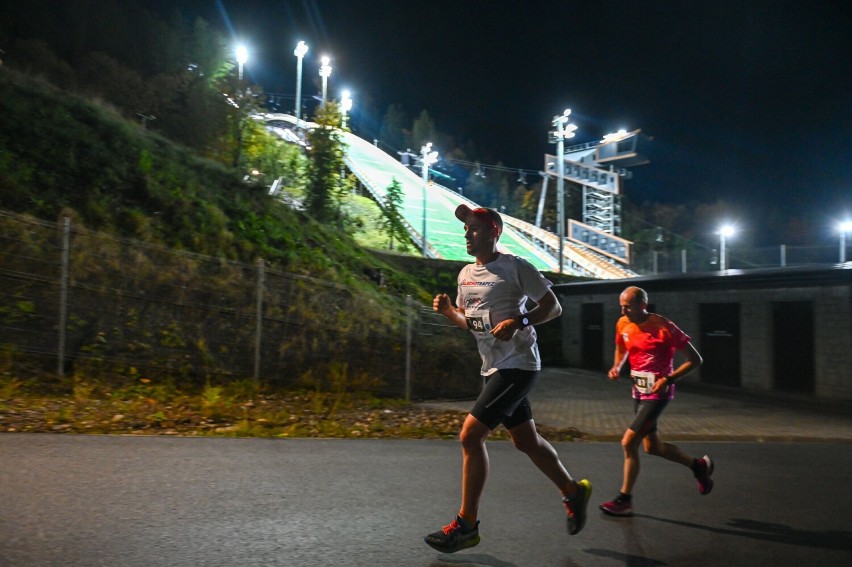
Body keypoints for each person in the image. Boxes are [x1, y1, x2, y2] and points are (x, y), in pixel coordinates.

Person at [424, 205, 591, 554]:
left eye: (474, 228)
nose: (467, 234)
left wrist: (521, 321)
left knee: (471, 435)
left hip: (519, 365)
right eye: (466, 229)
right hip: (493, 367)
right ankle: (573, 491)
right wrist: (448, 312)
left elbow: (553, 306)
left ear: (494, 231)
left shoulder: (514, 266)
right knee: (525, 442)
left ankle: (466, 525)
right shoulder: (465, 274)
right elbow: (471, 323)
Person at [599, 286, 713, 517]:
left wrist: (668, 379)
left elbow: (695, 360)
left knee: (628, 442)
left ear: (642, 305)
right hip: (639, 392)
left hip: (658, 393)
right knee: (652, 447)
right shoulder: (623, 323)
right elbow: (622, 348)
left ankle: (624, 500)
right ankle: (698, 466)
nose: (623, 311)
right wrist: (616, 367)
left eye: (627, 307)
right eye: (621, 306)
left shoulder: (664, 327)